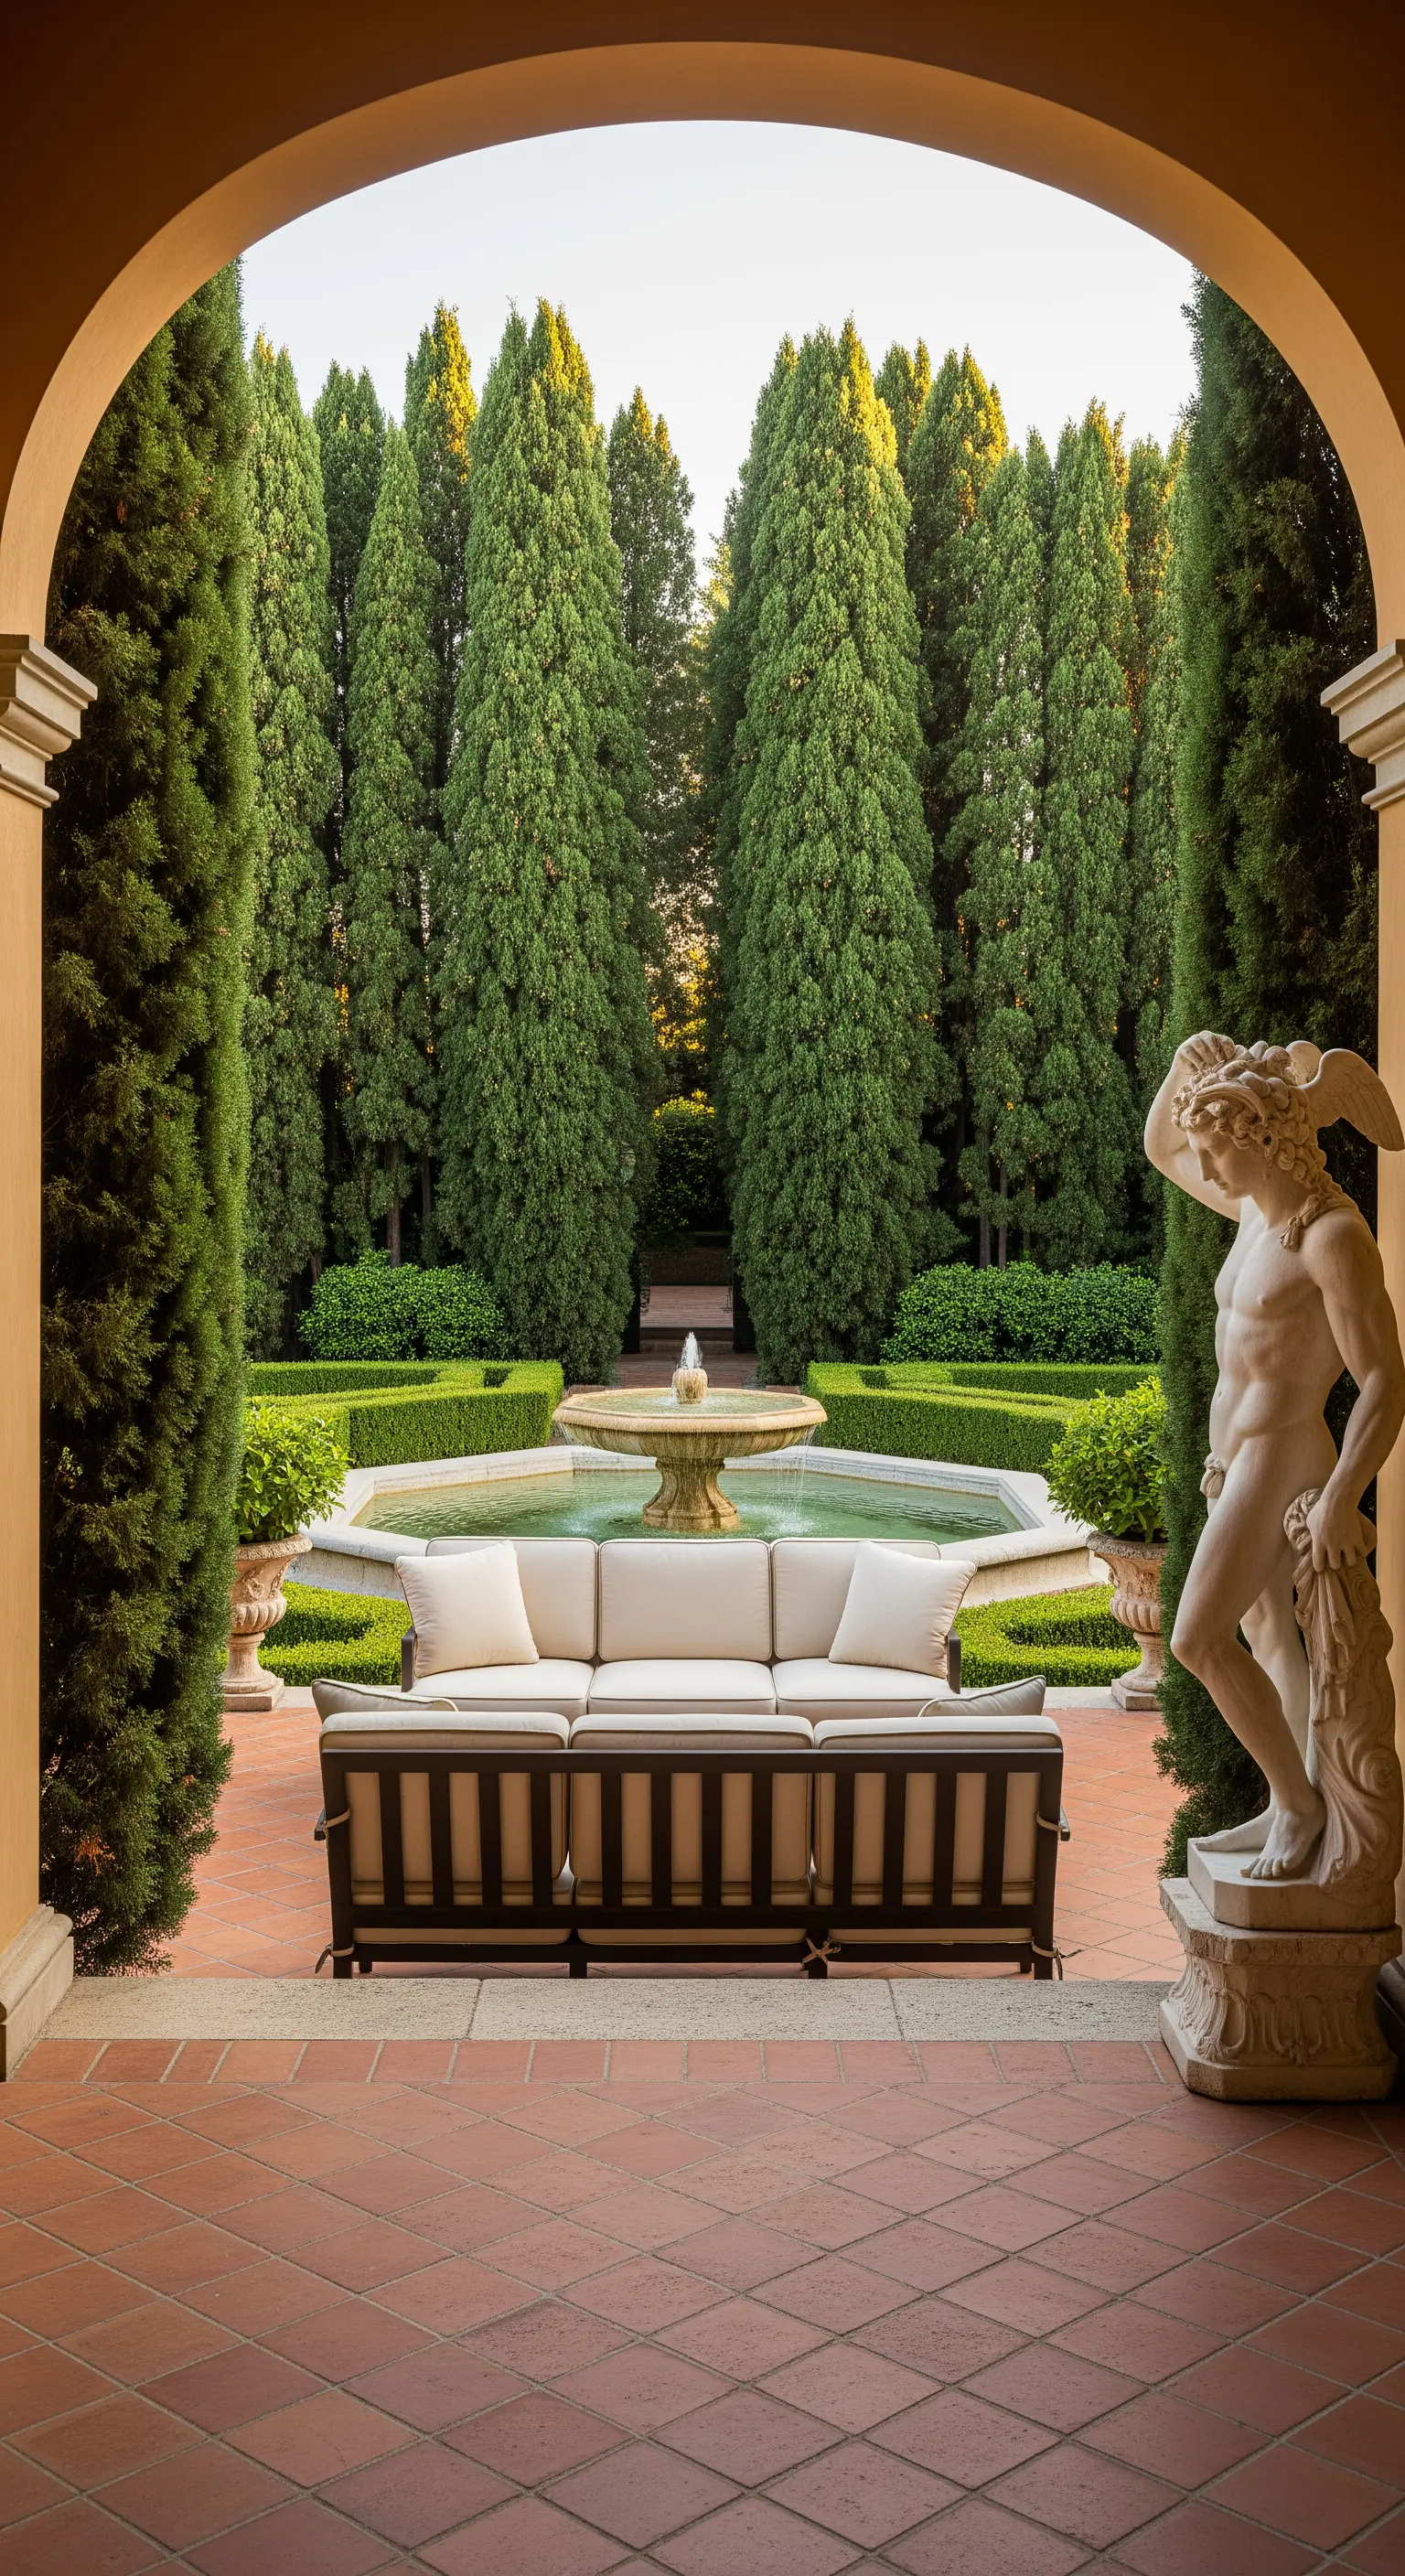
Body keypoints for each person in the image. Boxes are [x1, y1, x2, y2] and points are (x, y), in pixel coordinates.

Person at [1145, 1033, 1404, 1880]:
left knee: (1195, 1639)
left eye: (1219, 1149)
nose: (1208, 1169)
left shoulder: (1330, 1235)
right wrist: (1188, 1060)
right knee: (1267, 1640)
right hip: (1232, 1459)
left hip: (1283, 1455)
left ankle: (1296, 1805)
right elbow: (1161, 1147)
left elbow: (1384, 1381)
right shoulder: (1256, 1209)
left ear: (1260, 1138)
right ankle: (1287, 1805)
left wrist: (1339, 1495)